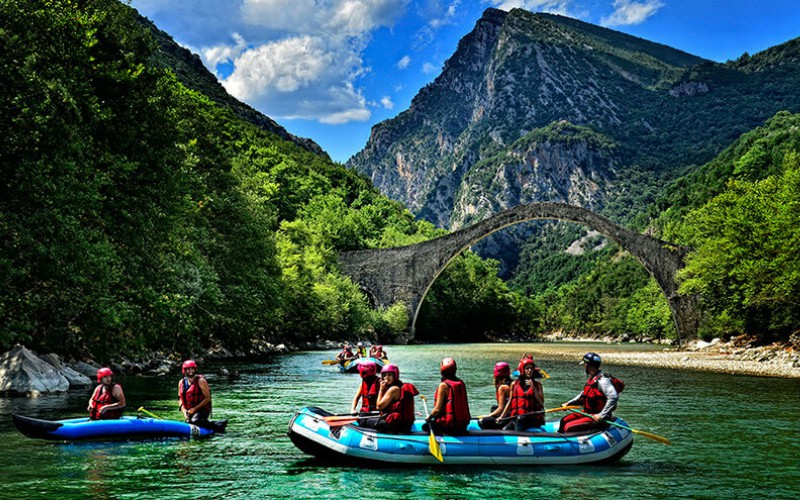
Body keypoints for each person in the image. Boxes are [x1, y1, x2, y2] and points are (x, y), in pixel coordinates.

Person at [558, 352, 618, 434]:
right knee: (564, 421)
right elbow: (582, 395)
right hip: (588, 412)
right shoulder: (593, 378)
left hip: (599, 417)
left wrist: (601, 415)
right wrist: (568, 403)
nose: (584, 366)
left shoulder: (603, 381)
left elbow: (613, 397)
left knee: (569, 427)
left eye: (585, 364)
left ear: (587, 365)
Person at [359, 364, 419, 433]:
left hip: (395, 425)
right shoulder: (400, 386)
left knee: (363, 421)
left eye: (389, 375)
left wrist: (381, 390)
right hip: (404, 424)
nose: (386, 377)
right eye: (384, 375)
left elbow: (379, 406)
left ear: (395, 376)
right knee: (372, 418)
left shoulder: (393, 389)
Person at [425, 357, 471, 435]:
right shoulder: (461, 383)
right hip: (463, 426)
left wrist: (428, 418)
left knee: (425, 426)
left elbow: (437, 410)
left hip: (449, 427)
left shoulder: (444, 385)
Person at [499, 357, 544, 431]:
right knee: (505, 429)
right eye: (527, 368)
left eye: (531, 369)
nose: (529, 371)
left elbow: (541, 402)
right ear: (523, 370)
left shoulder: (538, 385)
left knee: (521, 418)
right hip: (517, 417)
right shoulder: (514, 384)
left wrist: (534, 389)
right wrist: (502, 416)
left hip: (532, 418)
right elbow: (510, 402)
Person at [478, 361, 512, 429]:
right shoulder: (511, 383)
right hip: (510, 413)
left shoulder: (502, 387)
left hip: (507, 416)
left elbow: (500, 409)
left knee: (483, 421)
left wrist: (487, 415)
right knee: (493, 408)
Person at [178, 359, 212, 426]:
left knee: (195, 421)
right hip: (189, 411)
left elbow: (207, 398)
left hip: (202, 410)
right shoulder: (181, 382)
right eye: (188, 369)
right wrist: (184, 411)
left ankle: (212, 425)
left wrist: (195, 409)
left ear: (195, 369)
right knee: (188, 422)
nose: (191, 371)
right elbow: (180, 399)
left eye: (192, 369)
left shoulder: (201, 381)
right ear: (184, 370)